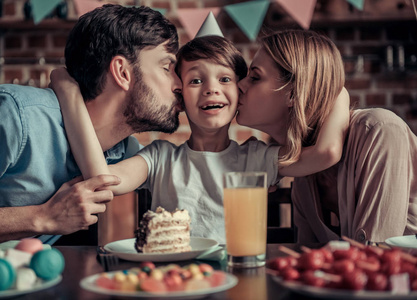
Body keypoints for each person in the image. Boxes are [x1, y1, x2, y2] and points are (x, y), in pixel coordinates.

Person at [53, 29, 350, 243]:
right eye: (196, 80)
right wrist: (70, 95)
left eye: (225, 79)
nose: (211, 88)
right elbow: (100, 177)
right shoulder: (160, 157)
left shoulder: (257, 158)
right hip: (174, 280)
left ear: (239, 91)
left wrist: (339, 91)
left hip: (237, 277)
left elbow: (326, 153)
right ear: (180, 98)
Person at [0, 4, 182, 244]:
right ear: (122, 72)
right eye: (167, 67)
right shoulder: (15, 116)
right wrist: (41, 217)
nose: (179, 84)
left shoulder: (125, 153)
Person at [237, 29, 417, 244]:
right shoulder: (303, 172)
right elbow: (307, 260)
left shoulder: (379, 130)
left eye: (255, 77)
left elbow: (376, 257)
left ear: (294, 93)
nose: (240, 85)